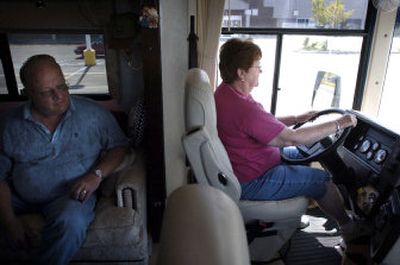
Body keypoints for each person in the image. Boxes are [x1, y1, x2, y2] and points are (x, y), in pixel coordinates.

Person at [214, 38, 366, 246]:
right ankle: (349, 228)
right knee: (321, 181)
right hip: (255, 178)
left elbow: (262, 124)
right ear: (241, 73)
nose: (260, 71)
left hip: (254, 163)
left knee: (306, 153)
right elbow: (291, 138)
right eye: (257, 67)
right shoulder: (243, 108)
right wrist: (340, 123)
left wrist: (296, 118)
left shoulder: (225, 93)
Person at [0, 54, 129, 265]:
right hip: (19, 196)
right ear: (28, 93)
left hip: (69, 196)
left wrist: (96, 175)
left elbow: (119, 146)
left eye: (62, 86)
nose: (58, 96)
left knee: (72, 222)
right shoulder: (8, 125)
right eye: (46, 92)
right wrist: (9, 222)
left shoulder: (93, 114)